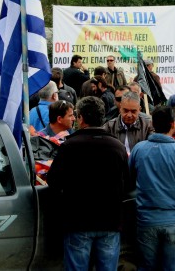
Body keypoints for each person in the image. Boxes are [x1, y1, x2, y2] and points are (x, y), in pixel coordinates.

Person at [47, 96, 130, 270]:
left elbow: (53, 181)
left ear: (81, 118)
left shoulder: (69, 147)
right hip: (110, 222)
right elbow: (127, 183)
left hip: (78, 222)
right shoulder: (117, 147)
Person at [129, 106, 175, 270]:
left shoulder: (139, 149)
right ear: (173, 124)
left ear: (153, 123)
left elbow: (129, 179)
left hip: (146, 220)